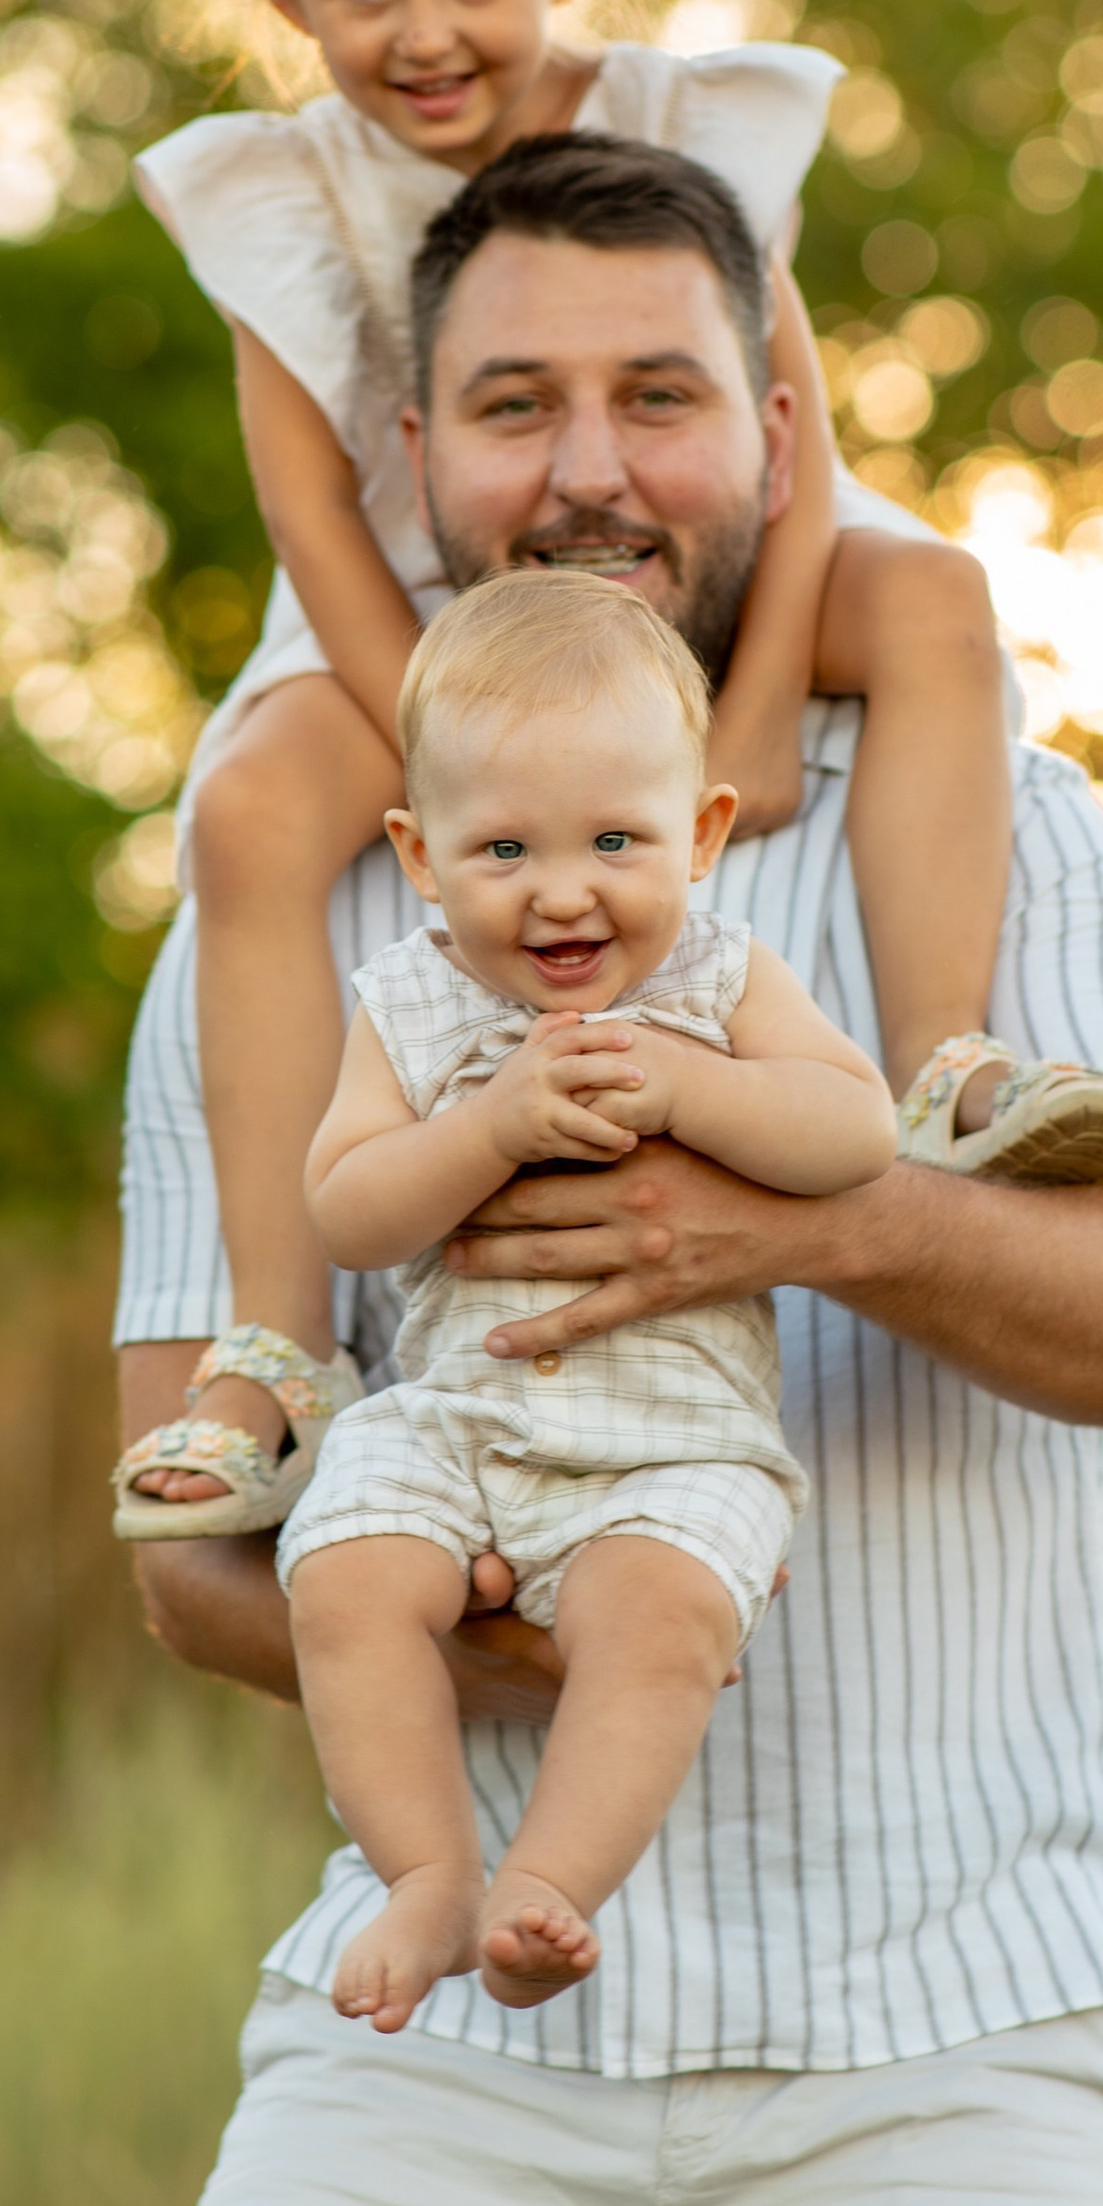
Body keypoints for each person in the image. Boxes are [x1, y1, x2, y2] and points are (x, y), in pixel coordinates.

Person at [80, 130, 1103, 2206]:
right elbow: (182, 1549)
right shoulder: (312, 895)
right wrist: (531, 1636)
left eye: (658, 392)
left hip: (947, 2039)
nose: (591, 463)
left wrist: (787, 1224)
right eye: (513, 403)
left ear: (777, 422)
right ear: (413, 449)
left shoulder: (1006, 832)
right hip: (439, 2060)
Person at [115, 0, 1103, 1542]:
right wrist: (463, 732)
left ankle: (949, 1059)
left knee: (932, 601)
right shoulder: (286, 197)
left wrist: (748, 710)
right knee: (250, 811)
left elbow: (796, 450)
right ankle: (275, 1347)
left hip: (722, 590)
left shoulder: (679, 132)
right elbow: (312, 513)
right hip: (412, 607)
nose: (422, 32)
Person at [285, 570, 894, 2036]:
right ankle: (426, 1872)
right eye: (503, 847)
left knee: (664, 1620)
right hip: (459, 1417)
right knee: (345, 1578)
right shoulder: (412, 1004)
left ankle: (541, 1892)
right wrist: (484, 1128)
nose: (563, 889)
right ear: (420, 858)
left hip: (673, 1445)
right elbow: (349, 1205)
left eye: (616, 839)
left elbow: (856, 1134)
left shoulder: (719, 983)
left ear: (701, 834)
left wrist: (698, 1085)